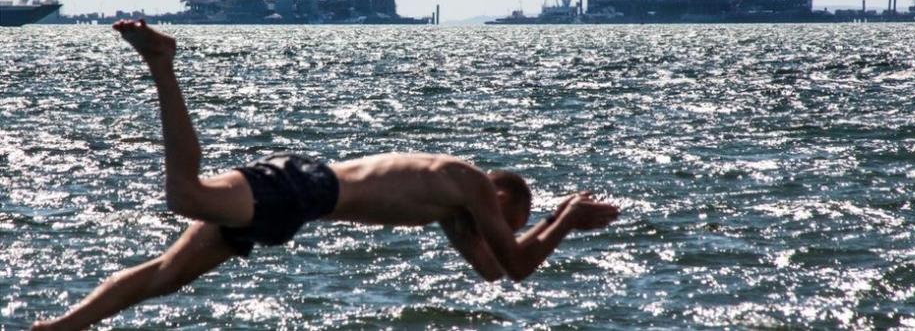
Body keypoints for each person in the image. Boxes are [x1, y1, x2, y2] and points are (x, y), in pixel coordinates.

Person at [33, 20, 619, 330]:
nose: (499, 229)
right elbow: (516, 261)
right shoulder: (464, 181)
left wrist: (550, 225)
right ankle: (163, 64)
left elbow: (499, 272)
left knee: (167, 275)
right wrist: (565, 216)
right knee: (187, 195)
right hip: (305, 187)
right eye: (506, 219)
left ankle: (64, 327)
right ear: (497, 193)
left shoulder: (455, 215)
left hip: (296, 211)